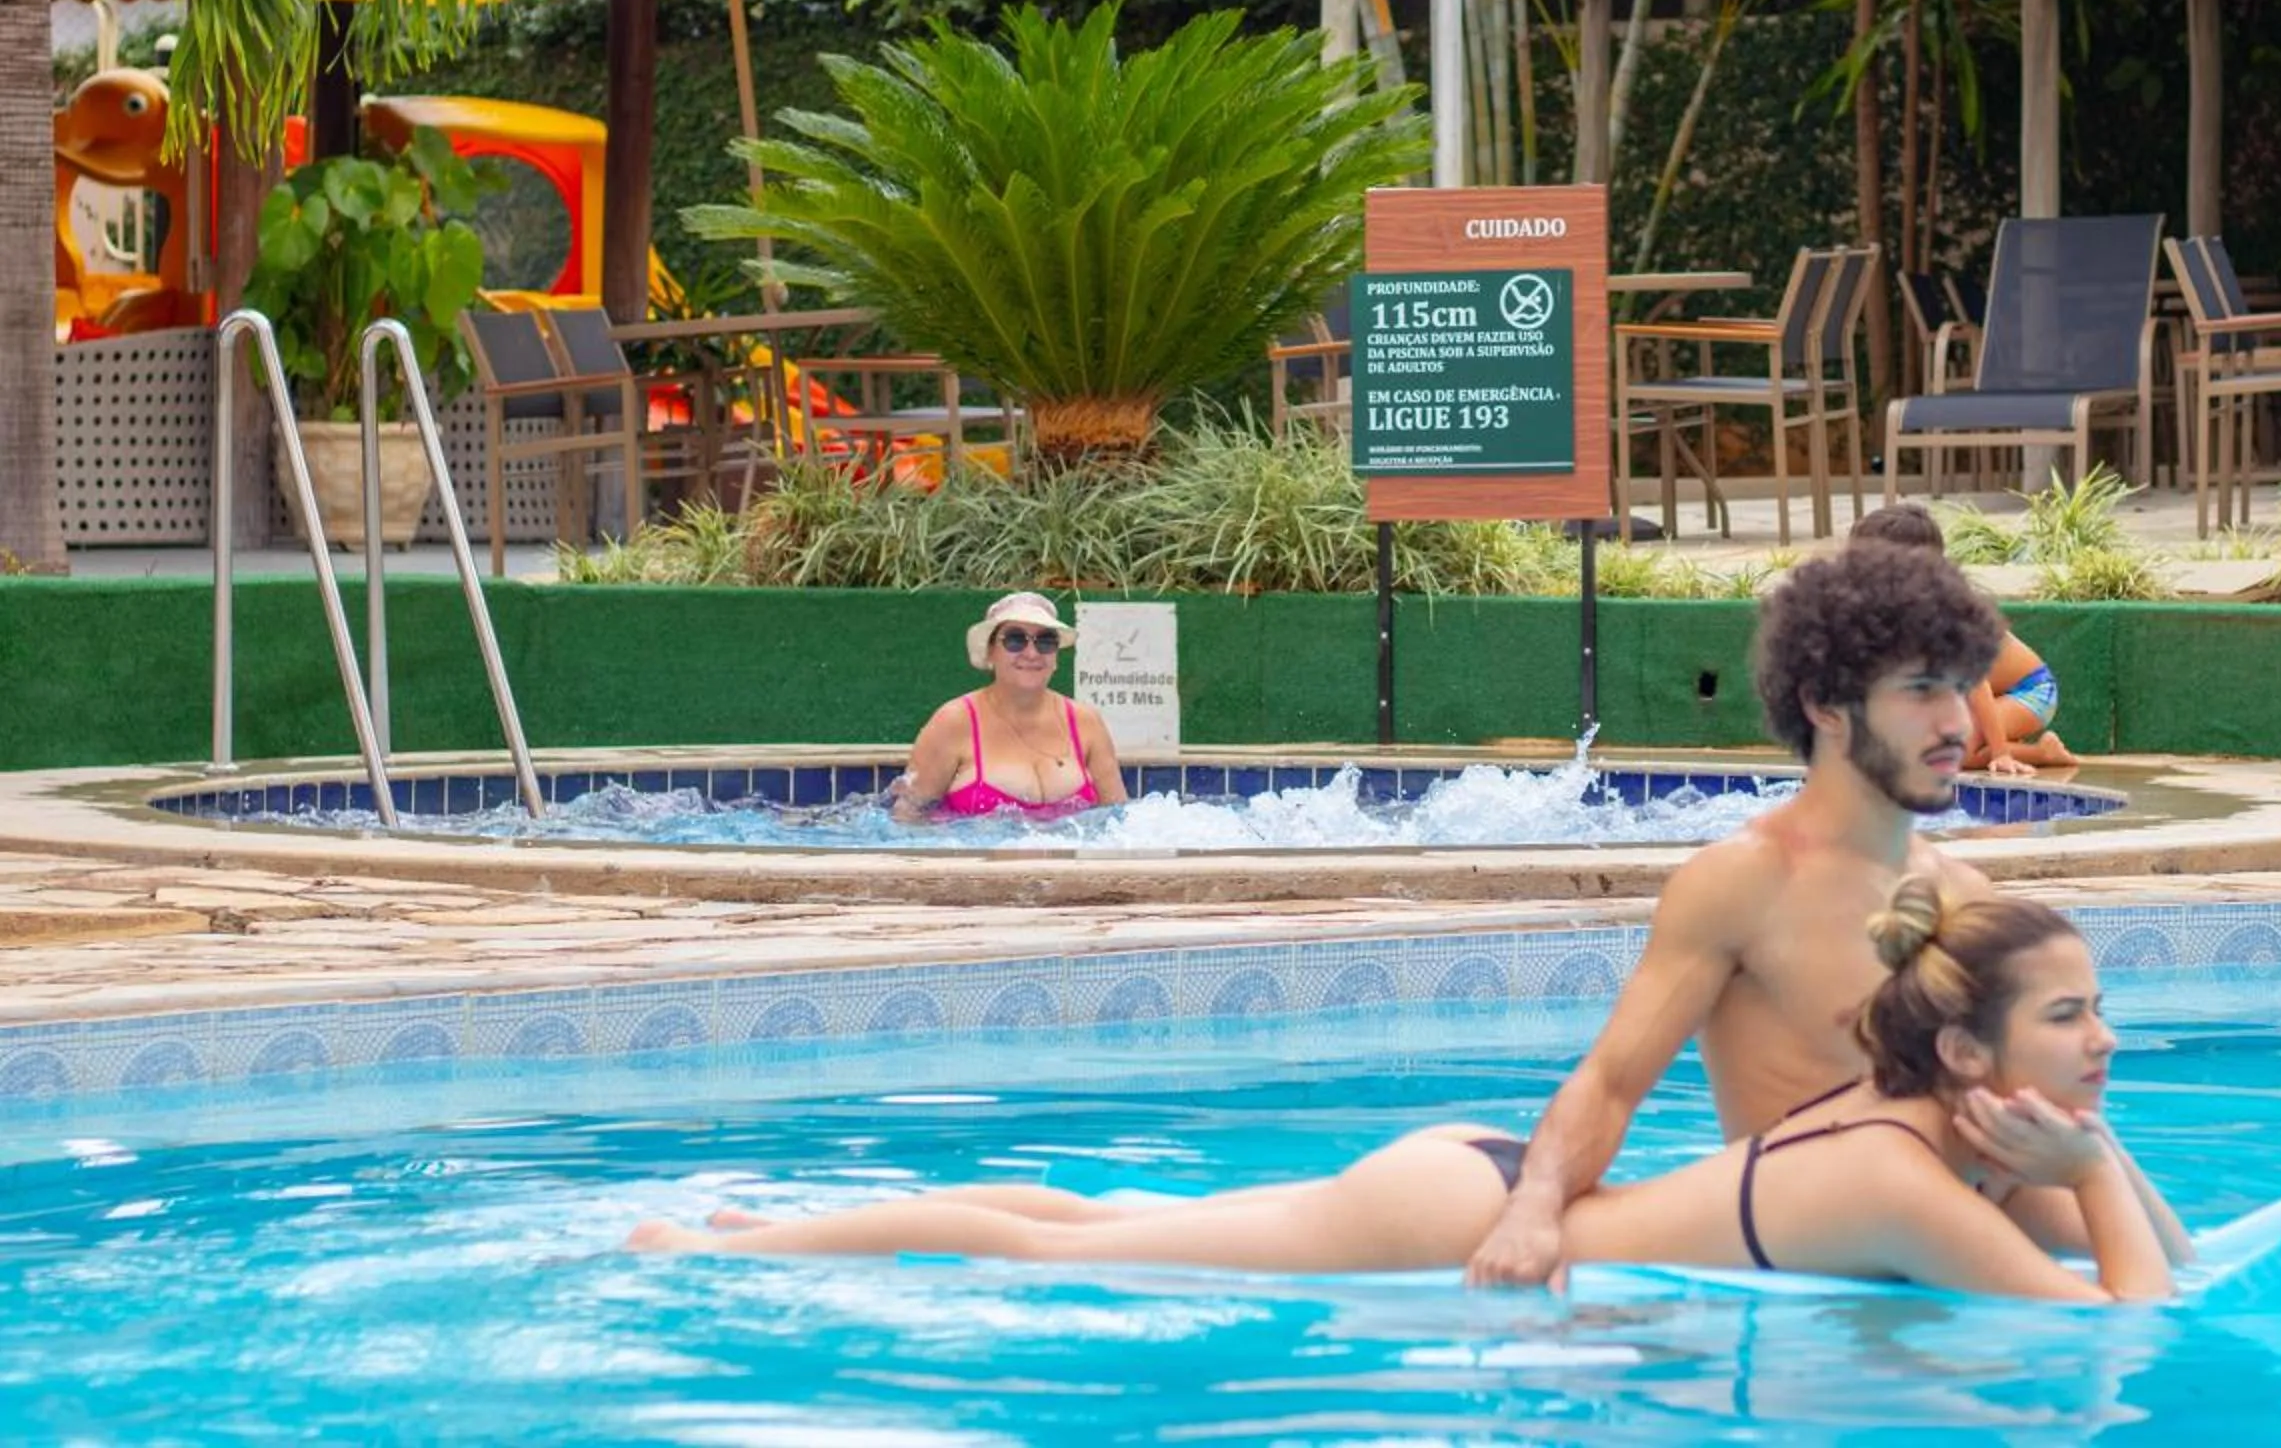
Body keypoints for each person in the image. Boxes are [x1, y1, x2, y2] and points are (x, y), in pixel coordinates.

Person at [627, 879, 2179, 1305]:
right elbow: (2133, 1324)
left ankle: (772, 1225)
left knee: (1112, 1213)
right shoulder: (1913, 1183)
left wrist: (2085, 1160)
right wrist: (2095, 1167)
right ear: (1969, 1052)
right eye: (2073, 1012)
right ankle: (722, 1257)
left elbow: (2159, 1257)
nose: (2103, 1036)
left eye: (2100, 1008)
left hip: (1495, 1192)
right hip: (1460, 1220)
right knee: (1065, 1252)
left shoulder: (1974, 1132)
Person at [1464, 539, 2187, 1288]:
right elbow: (1613, 1083)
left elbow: (2025, 1140)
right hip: (1798, 1258)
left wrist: (2093, 1171)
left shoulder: (1967, 895)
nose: (1957, 725)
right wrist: (1534, 1206)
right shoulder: (1745, 882)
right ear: (1826, 707)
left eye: (1961, 689)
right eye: (1921, 691)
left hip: (1927, 1254)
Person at [1849, 502, 2077, 770]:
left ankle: (2041, 753)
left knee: (1958, 754)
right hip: (1990, 695)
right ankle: (2003, 742)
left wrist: (2000, 753)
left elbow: (1977, 684)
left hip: (2031, 691)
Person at [891, 593, 1126, 822]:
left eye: (1045, 641)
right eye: (1015, 640)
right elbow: (907, 821)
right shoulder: (954, 721)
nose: (1032, 653)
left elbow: (1120, 820)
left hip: (1070, 861)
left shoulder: (1085, 722)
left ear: (1055, 657)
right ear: (990, 651)